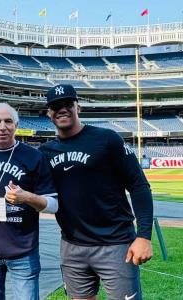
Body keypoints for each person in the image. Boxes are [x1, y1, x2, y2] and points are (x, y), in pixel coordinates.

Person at [38, 84, 153, 300]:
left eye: (67, 104)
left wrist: (144, 236)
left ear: (78, 107)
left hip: (116, 244)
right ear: (49, 113)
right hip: (72, 246)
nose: (62, 109)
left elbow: (139, 186)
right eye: (55, 106)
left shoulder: (107, 139)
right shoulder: (45, 152)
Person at [0, 103, 58, 300]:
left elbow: (53, 204)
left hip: (23, 251)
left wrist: (26, 197)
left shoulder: (34, 156)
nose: (2, 126)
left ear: (16, 125)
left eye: (8, 121)